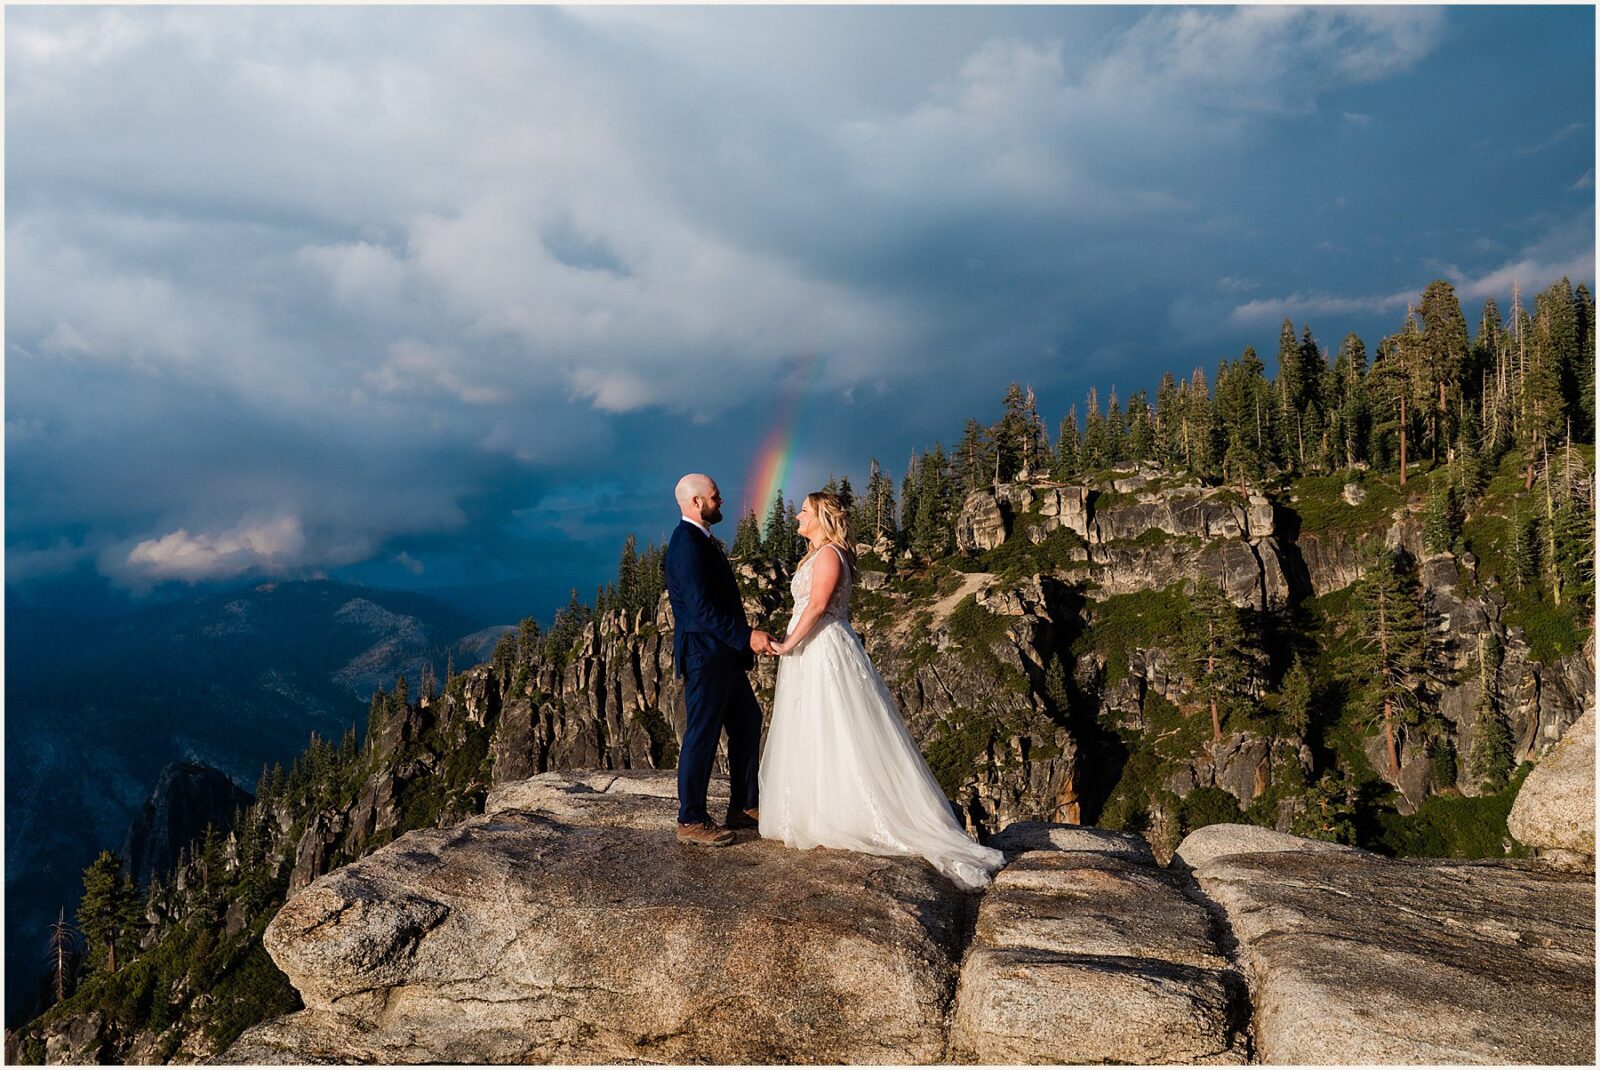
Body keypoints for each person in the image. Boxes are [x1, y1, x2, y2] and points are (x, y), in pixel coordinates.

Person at [759, 491, 1004, 890]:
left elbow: (818, 606)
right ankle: (822, 807)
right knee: (819, 728)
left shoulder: (828, 556)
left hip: (822, 649)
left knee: (836, 726)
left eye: (804, 511)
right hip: (814, 649)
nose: (798, 517)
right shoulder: (821, 553)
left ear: (822, 517)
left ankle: (848, 813)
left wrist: (787, 645)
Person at [663, 473, 774, 847]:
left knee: (747, 721)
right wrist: (747, 636)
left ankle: (743, 805)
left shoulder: (700, 540)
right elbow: (701, 610)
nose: (721, 500)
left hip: (721, 655)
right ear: (696, 502)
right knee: (702, 734)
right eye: (716, 496)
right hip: (705, 656)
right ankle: (691, 818)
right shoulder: (687, 546)